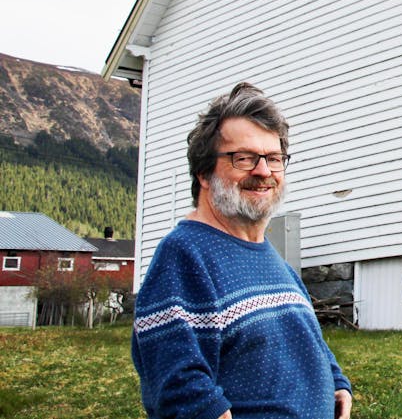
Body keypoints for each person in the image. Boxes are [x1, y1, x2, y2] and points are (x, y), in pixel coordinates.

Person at [132, 82, 353, 419]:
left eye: (274, 159)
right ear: (204, 173)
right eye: (244, 158)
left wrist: (335, 382)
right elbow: (177, 385)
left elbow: (304, 341)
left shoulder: (269, 255)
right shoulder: (184, 254)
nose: (263, 171)